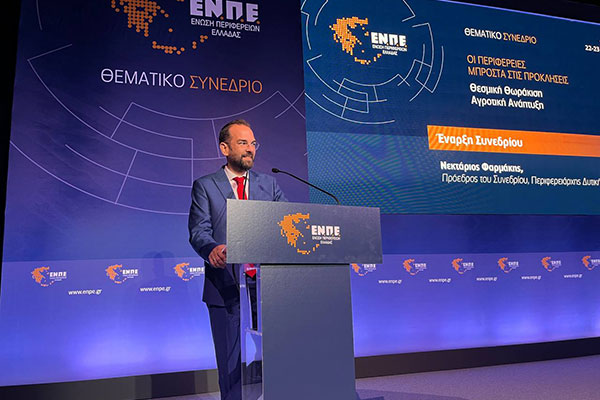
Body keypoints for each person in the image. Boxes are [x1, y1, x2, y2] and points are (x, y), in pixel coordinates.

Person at [188, 119, 287, 400]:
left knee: (277, 353)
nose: (250, 149)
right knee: (230, 360)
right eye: (242, 143)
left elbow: (288, 224)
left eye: (253, 143)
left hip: (268, 284)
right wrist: (212, 249)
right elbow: (198, 231)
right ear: (224, 148)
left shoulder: (269, 185)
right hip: (226, 283)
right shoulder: (206, 186)